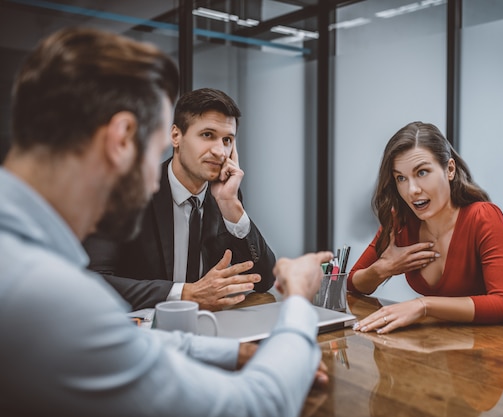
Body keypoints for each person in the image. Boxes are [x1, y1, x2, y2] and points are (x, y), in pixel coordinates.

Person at [0, 27, 332, 417]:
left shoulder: (26, 262)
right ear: (123, 139)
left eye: (227, 140)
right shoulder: (52, 293)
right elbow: (255, 406)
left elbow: (121, 339)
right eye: (155, 146)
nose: (153, 178)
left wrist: (227, 351)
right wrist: (297, 302)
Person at [83, 87, 276, 312]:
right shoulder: (127, 192)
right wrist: (184, 293)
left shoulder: (225, 195)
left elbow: (264, 280)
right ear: (176, 136)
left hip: (208, 328)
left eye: (227, 140)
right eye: (207, 135)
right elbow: (94, 280)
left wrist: (231, 206)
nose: (220, 151)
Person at [349, 121, 503, 334]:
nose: (412, 190)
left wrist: (424, 305)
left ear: (449, 169)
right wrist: (383, 269)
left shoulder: (482, 217)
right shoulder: (401, 222)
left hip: (496, 350)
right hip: (440, 345)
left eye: (422, 172)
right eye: (401, 178)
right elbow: (354, 282)